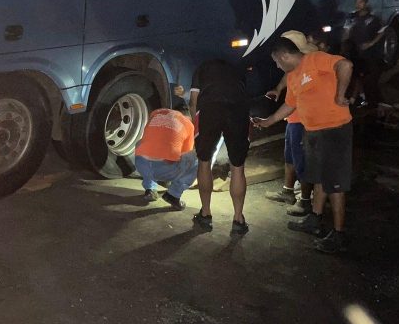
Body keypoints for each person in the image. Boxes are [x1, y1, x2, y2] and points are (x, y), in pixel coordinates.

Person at [254, 38, 353, 254]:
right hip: (313, 131)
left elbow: (345, 65)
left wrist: (340, 94)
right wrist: (268, 121)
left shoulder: (315, 59)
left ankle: (339, 234)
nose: (278, 67)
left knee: (334, 185)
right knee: (318, 178)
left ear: (284, 56)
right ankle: (315, 219)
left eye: (277, 63)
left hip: (334, 130)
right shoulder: (293, 76)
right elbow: (290, 104)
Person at [189, 58, 250, 235]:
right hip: (238, 110)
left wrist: (196, 125)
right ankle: (238, 219)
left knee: (204, 161)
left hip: (210, 109)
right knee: (238, 167)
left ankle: (206, 214)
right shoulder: (238, 70)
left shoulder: (201, 68)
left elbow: (193, 102)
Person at [264, 31, 317, 217]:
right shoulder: (294, 69)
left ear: (288, 54)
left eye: (279, 60)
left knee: (302, 161)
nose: (278, 66)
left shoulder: (311, 68)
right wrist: (279, 88)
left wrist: (270, 120)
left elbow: (293, 103)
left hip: (303, 121)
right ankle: (288, 191)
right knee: (290, 157)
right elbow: (288, 82)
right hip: (294, 119)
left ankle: (305, 201)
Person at [134, 99, 198, 210]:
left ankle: (150, 189)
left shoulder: (157, 115)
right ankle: (173, 195)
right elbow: (185, 154)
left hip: (141, 165)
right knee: (197, 157)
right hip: (163, 170)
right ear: (187, 116)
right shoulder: (188, 124)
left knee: (144, 144)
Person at [344, 0, 386, 106]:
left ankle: (368, 100)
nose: (358, 5)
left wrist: (371, 43)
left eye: (360, 2)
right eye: (356, 2)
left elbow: (382, 31)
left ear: (365, 3)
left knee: (364, 77)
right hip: (354, 51)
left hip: (368, 54)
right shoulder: (351, 17)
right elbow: (346, 31)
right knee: (355, 75)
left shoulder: (373, 18)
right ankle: (361, 97)